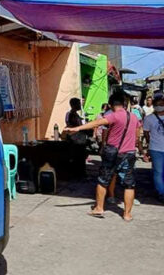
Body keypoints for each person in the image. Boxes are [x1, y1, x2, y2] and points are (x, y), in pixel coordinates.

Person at [64, 92, 140, 221]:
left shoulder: (114, 116)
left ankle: (99, 208)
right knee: (129, 184)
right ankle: (127, 214)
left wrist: (77, 128)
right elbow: (137, 133)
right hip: (129, 153)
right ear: (124, 104)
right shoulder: (133, 117)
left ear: (110, 105)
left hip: (112, 152)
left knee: (103, 180)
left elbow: (97, 123)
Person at [143, 95, 164, 203]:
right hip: (156, 149)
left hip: (156, 147)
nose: (159, 106)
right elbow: (146, 132)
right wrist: (149, 143)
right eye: (157, 105)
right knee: (158, 171)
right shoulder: (148, 118)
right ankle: (161, 192)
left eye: (161, 104)